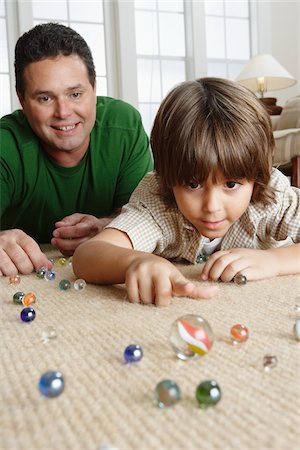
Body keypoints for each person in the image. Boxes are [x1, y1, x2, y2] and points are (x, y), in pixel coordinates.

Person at [73, 77, 300, 306]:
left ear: (257, 177)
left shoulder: (272, 195)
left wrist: (274, 261)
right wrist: (134, 261)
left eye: (230, 185)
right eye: (193, 185)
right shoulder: (157, 200)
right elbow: (87, 254)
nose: (212, 206)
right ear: (167, 177)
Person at [0, 23, 152, 276]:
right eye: (45, 98)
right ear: (22, 100)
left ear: (94, 88)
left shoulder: (124, 126)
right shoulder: (6, 144)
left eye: (75, 94)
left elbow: (152, 217)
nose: (63, 112)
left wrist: (108, 227)